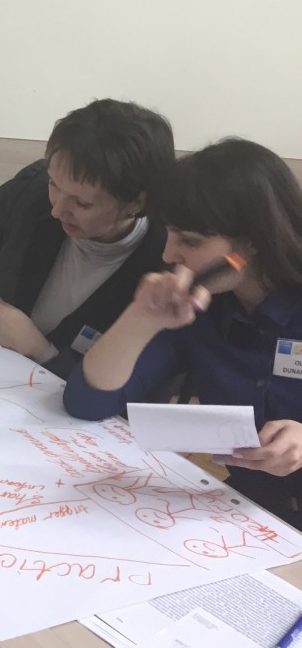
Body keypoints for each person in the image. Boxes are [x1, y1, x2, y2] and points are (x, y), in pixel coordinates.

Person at [63, 138, 302, 528]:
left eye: (190, 241)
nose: (168, 254)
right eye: (170, 234)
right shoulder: (203, 308)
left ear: (251, 245)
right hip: (250, 514)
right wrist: (139, 320)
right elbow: (86, 403)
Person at [0, 99, 175, 375]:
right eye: (54, 184)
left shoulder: (164, 265)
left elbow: (131, 391)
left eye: (82, 203)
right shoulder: (32, 192)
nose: (57, 210)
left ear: (136, 203)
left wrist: (40, 350)